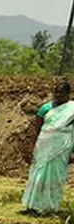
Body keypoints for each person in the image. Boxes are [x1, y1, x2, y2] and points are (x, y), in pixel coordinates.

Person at [22, 79, 74, 216]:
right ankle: (33, 205)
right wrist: (31, 147)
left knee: (56, 176)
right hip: (44, 145)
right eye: (55, 92)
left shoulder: (72, 109)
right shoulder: (45, 108)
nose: (57, 95)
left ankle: (49, 207)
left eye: (61, 93)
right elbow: (36, 130)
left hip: (62, 147)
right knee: (38, 174)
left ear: (69, 94)